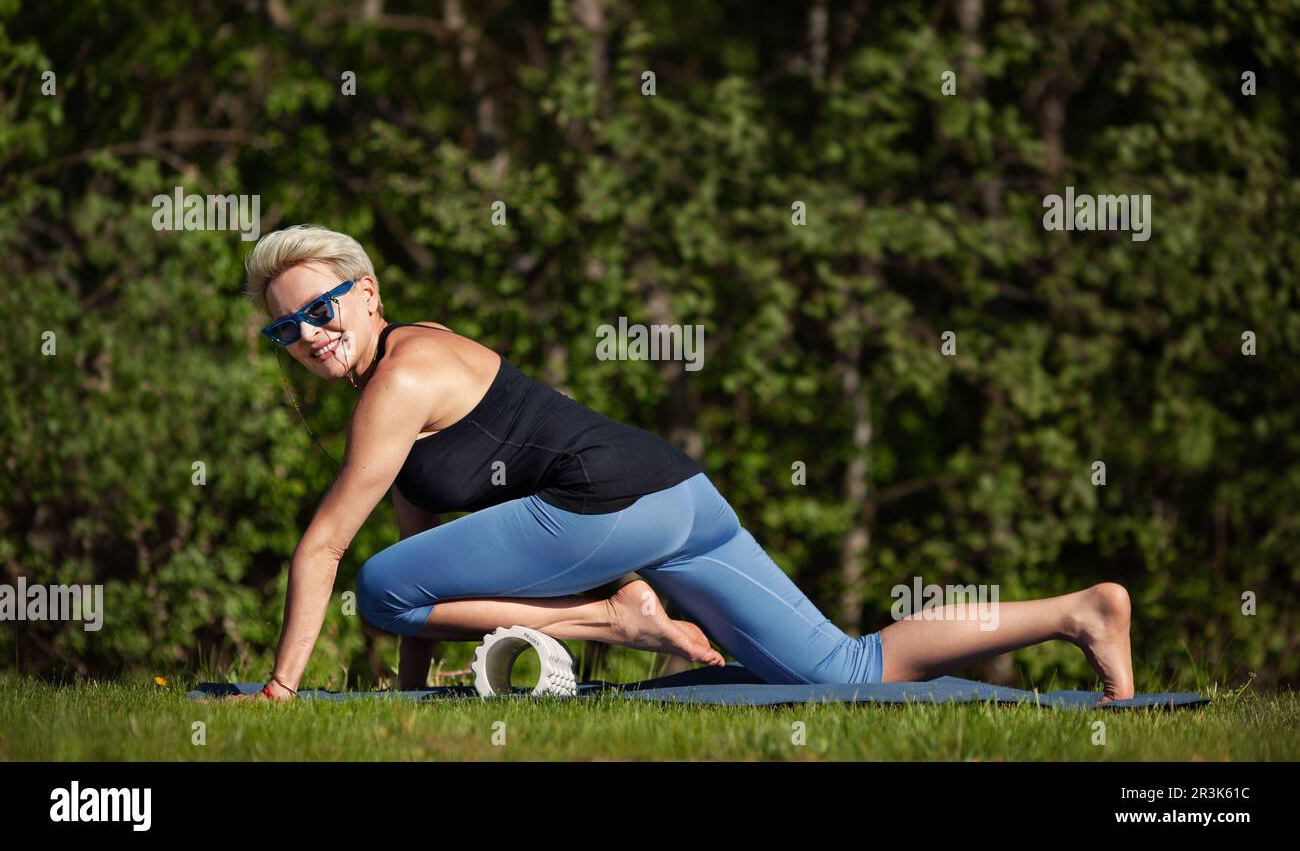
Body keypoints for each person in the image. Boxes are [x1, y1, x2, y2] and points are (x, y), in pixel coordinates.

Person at [241, 225, 1135, 702]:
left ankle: (619, 619)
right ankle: (1080, 612)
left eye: (321, 306)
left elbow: (324, 550)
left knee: (373, 583)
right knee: (846, 671)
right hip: (681, 495)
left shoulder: (397, 381)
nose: (310, 334)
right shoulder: (405, 365)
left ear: (366, 292)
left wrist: (282, 688)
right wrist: (412, 687)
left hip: (608, 510)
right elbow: (424, 534)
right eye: (287, 327)